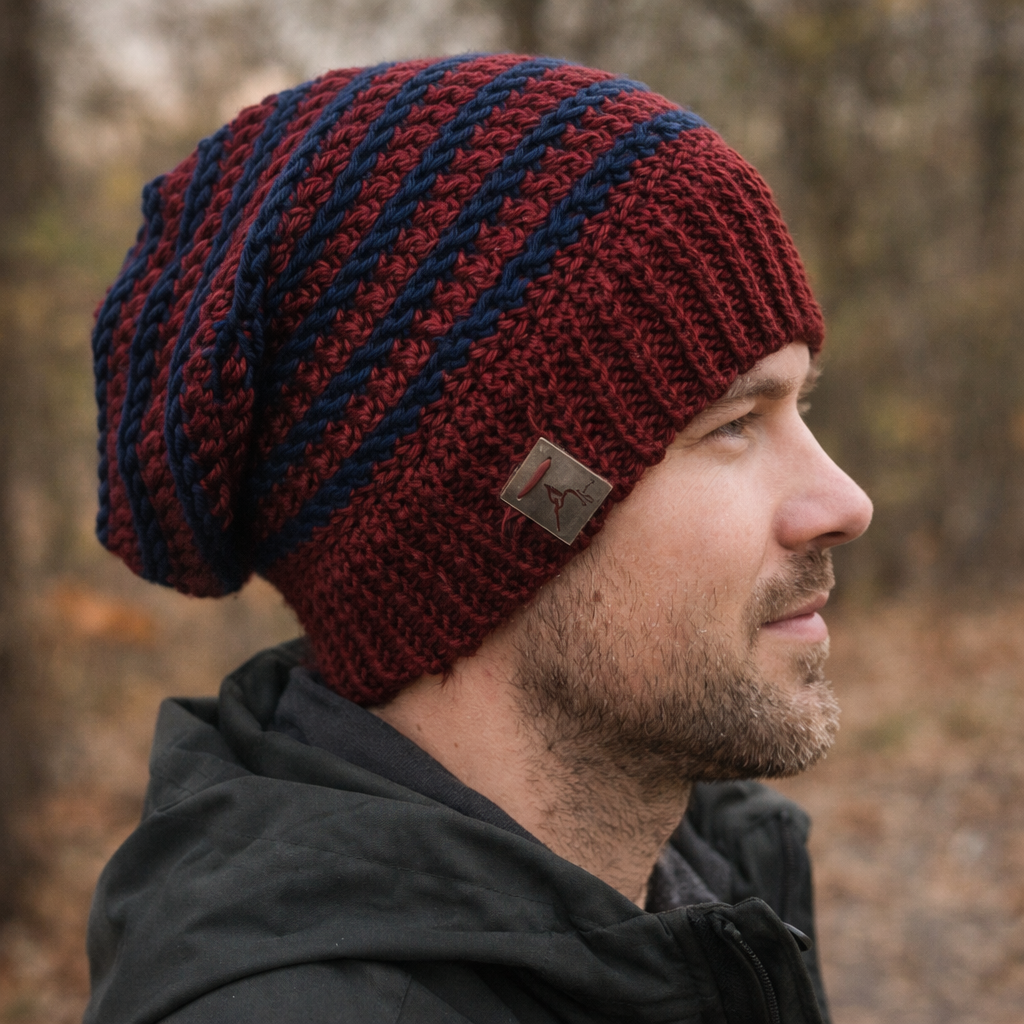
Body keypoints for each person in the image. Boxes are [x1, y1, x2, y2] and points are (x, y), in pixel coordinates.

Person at [84, 54, 872, 1024]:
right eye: (733, 424)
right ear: (523, 508)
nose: (844, 501)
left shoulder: (709, 884)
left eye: (800, 406)